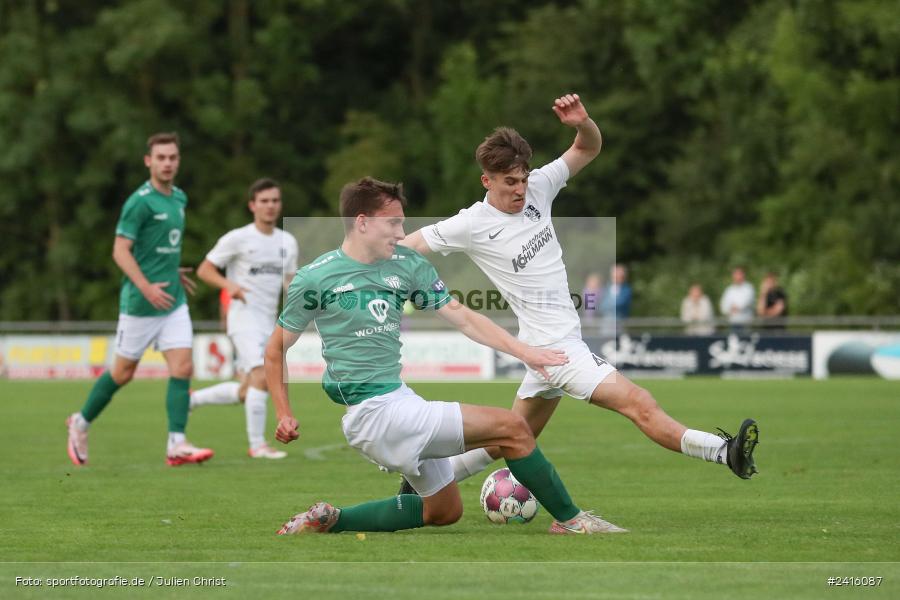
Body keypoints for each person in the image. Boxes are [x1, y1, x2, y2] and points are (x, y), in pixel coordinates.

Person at [400, 93, 759, 495]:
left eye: (523, 178)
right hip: (557, 352)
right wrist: (359, 265)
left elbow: (587, 147)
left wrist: (582, 122)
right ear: (487, 180)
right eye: (510, 182)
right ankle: (723, 451)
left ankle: (420, 486)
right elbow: (409, 245)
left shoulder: (539, 188)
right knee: (638, 402)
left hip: (547, 347)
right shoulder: (472, 223)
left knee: (510, 438)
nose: (520, 189)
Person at [267, 177, 624, 535]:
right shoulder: (315, 278)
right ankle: (571, 521)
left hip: (398, 399)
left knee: (443, 510)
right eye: (392, 223)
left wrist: (525, 351)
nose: (401, 231)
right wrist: (283, 413)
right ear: (362, 222)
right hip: (372, 414)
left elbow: (463, 317)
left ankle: (330, 520)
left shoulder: (406, 263)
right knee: (513, 428)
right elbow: (275, 350)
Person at [66, 132, 213, 467]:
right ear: (148, 161)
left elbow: (161, 245)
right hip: (140, 303)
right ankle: (80, 422)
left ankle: (176, 443)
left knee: (183, 366)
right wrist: (146, 286)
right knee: (123, 372)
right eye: (160, 157)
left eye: (172, 157)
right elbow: (120, 250)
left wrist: (171, 271)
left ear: (178, 160)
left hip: (173, 301)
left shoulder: (179, 198)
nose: (167, 163)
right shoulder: (139, 201)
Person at [189, 178, 299, 459]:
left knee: (249, 388)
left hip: (269, 321)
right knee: (263, 376)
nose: (270, 206)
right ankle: (257, 445)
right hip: (243, 319)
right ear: (252, 205)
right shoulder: (237, 238)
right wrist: (230, 286)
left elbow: (290, 282)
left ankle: (194, 400)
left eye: (275, 200)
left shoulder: (287, 241)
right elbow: (204, 270)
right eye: (264, 201)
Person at [719, 267, 755, 332]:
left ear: (743, 275)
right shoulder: (729, 290)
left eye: (739, 274)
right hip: (733, 323)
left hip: (746, 323)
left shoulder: (749, 288)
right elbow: (723, 306)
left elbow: (746, 302)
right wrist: (730, 309)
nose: (738, 277)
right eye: (736, 274)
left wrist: (735, 307)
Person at [599, 263, 632, 333]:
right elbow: (601, 306)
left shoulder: (627, 289)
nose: (617, 277)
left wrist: (608, 304)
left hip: (620, 323)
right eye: (615, 275)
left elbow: (620, 304)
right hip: (606, 324)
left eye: (619, 275)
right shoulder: (606, 288)